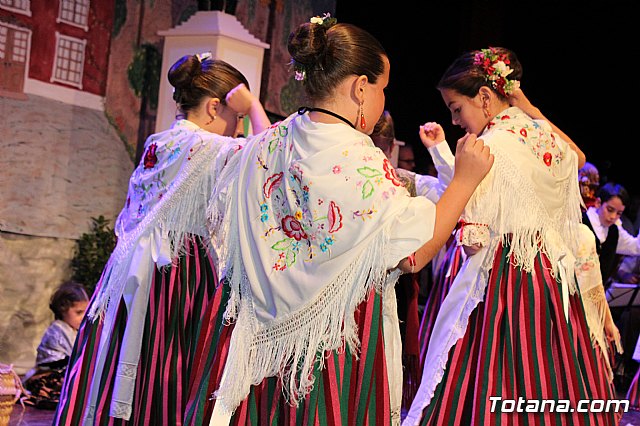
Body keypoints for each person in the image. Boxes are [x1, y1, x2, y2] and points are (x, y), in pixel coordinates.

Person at [189, 14, 493, 426]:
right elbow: (414, 255)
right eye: (383, 89)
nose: (384, 99)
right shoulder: (358, 156)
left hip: (251, 342)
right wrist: (465, 180)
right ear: (360, 87)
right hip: (328, 351)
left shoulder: (262, 144)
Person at [404, 47, 619, 425]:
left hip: (507, 276)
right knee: (550, 371)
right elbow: (580, 158)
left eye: (457, 108)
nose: (455, 120)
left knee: (490, 370)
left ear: (485, 98)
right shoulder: (538, 134)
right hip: (552, 277)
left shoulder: (485, 147)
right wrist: (527, 104)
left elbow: (472, 233)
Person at [53, 53, 270, 425]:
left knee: (117, 358)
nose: (238, 130)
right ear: (216, 106)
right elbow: (270, 158)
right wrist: (253, 107)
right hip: (176, 277)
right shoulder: (211, 147)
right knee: (164, 370)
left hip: (126, 273)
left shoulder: (158, 142)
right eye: (235, 120)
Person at [21, 281, 88, 410]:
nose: (83, 317)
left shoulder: (74, 329)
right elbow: (73, 356)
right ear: (63, 310)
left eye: (86, 312)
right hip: (50, 373)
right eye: (78, 313)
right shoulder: (58, 329)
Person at [582, 182, 640, 286]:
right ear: (598, 203)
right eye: (610, 210)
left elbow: (636, 247)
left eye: (619, 213)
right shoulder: (581, 222)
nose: (613, 216)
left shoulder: (614, 231)